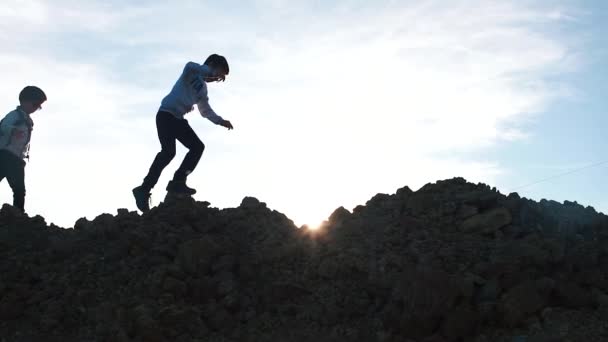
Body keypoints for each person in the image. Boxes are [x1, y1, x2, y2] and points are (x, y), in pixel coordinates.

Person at [132, 54, 233, 212]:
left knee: (197, 147)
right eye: (218, 75)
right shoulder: (192, 71)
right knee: (168, 153)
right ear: (211, 65)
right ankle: (144, 189)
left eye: (220, 78)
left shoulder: (202, 90)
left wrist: (220, 121)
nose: (216, 79)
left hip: (178, 119)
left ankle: (178, 182)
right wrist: (210, 71)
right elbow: (190, 65)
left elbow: (205, 110)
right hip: (165, 115)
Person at [0, 86, 47, 212]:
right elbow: (3, 126)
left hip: (17, 158)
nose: (36, 108)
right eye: (35, 104)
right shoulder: (14, 115)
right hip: (5, 155)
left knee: (19, 189)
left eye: (39, 106)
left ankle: (18, 214)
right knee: (19, 189)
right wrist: (13, 130)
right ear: (25, 101)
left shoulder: (27, 120)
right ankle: (18, 214)